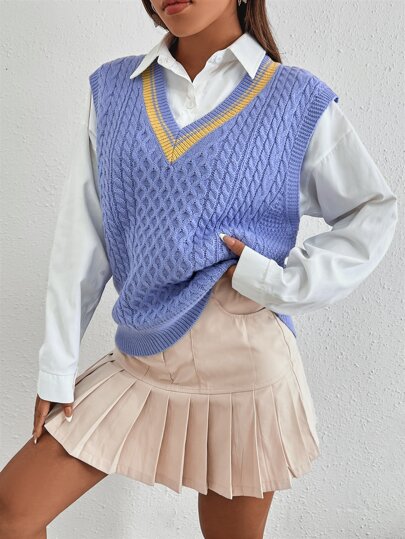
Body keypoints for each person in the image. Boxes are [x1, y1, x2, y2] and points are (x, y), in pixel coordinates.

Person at [0, 0, 398, 537]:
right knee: (12, 513)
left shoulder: (295, 98)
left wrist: (278, 281)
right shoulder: (114, 90)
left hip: (246, 366)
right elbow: (84, 235)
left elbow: (371, 210)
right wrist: (57, 363)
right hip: (143, 354)